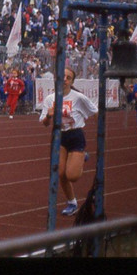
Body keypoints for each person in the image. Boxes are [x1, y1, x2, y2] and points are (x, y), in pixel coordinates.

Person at [39, 67, 98, 216]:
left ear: (71, 82)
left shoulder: (78, 97)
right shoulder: (50, 99)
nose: (64, 79)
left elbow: (95, 112)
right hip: (59, 136)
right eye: (62, 76)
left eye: (68, 77)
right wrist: (49, 116)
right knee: (60, 174)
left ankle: (82, 155)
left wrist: (99, 130)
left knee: (72, 175)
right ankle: (72, 202)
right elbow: (45, 123)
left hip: (76, 135)